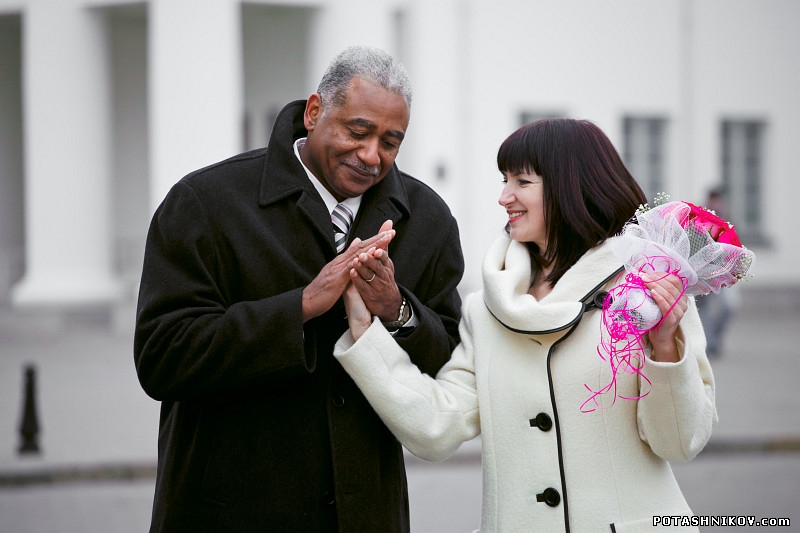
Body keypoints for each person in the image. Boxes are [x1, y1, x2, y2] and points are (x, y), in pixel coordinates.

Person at [134, 46, 464, 532]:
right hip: (228, 514)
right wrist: (302, 306)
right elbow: (162, 358)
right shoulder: (204, 203)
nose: (372, 155)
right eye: (358, 131)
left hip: (365, 517)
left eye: (391, 141)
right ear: (314, 112)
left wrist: (398, 312)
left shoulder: (428, 218)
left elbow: (450, 365)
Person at [335, 118, 717, 532]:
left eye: (521, 181)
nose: (504, 197)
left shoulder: (650, 287)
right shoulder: (486, 311)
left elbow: (680, 443)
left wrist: (665, 348)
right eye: (504, 180)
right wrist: (367, 336)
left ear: (569, 185)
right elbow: (436, 427)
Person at [696, 188, 738, 357]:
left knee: (728, 307)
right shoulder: (700, 219)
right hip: (703, 273)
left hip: (724, 274)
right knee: (703, 309)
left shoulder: (728, 219)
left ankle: (715, 338)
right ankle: (709, 342)